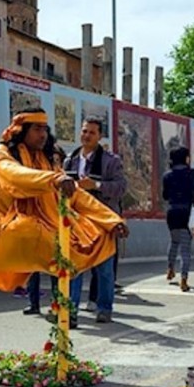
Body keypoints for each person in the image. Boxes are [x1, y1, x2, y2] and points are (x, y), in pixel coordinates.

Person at [0, 109, 128, 312]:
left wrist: (111, 219)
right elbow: (14, 176)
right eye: (36, 129)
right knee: (48, 242)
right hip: (14, 224)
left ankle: (73, 310)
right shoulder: (1, 153)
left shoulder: (46, 158)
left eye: (45, 129)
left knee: (100, 237)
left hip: (53, 221)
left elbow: (76, 194)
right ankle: (57, 307)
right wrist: (54, 180)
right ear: (21, 130)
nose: (42, 134)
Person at [63, 117, 127, 324]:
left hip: (102, 222)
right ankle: (70, 311)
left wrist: (96, 185)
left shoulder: (111, 161)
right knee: (74, 267)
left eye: (91, 132)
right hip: (77, 222)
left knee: (105, 269)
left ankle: (104, 308)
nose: (86, 135)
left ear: (100, 136)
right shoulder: (70, 160)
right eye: (84, 131)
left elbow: (120, 188)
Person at [23, 139, 66, 315]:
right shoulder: (40, 175)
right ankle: (34, 303)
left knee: (55, 268)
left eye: (57, 159)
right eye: (52, 158)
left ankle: (57, 305)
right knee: (33, 266)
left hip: (55, 225)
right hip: (36, 224)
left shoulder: (63, 178)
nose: (54, 162)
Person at [162, 145, 194, 292]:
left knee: (174, 242)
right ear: (186, 158)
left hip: (172, 212)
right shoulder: (191, 173)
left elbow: (165, 196)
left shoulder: (167, 175)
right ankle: (183, 279)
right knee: (186, 248)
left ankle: (170, 269)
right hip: (187, 213)